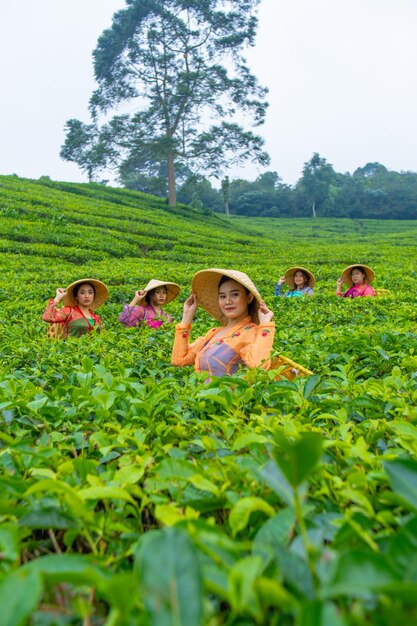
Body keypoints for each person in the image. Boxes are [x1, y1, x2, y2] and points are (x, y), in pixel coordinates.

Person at [171, 268, 275, 378]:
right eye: (222, 296)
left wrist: (265, 325)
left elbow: (259, 366)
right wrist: (187, 316)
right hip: (203, 394)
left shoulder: (251, 332)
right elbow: (179, 359)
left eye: (235, 294)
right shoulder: (213, 333)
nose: (228, 301)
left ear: (249, 297)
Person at [43, 279, 108, 337]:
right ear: (76, 296)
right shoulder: (69, 311)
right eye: (82, 293)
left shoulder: (96, 318)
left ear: (93, 296)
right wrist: (58, 298)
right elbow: (47, 317)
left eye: (90, 293)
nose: (87, 296)